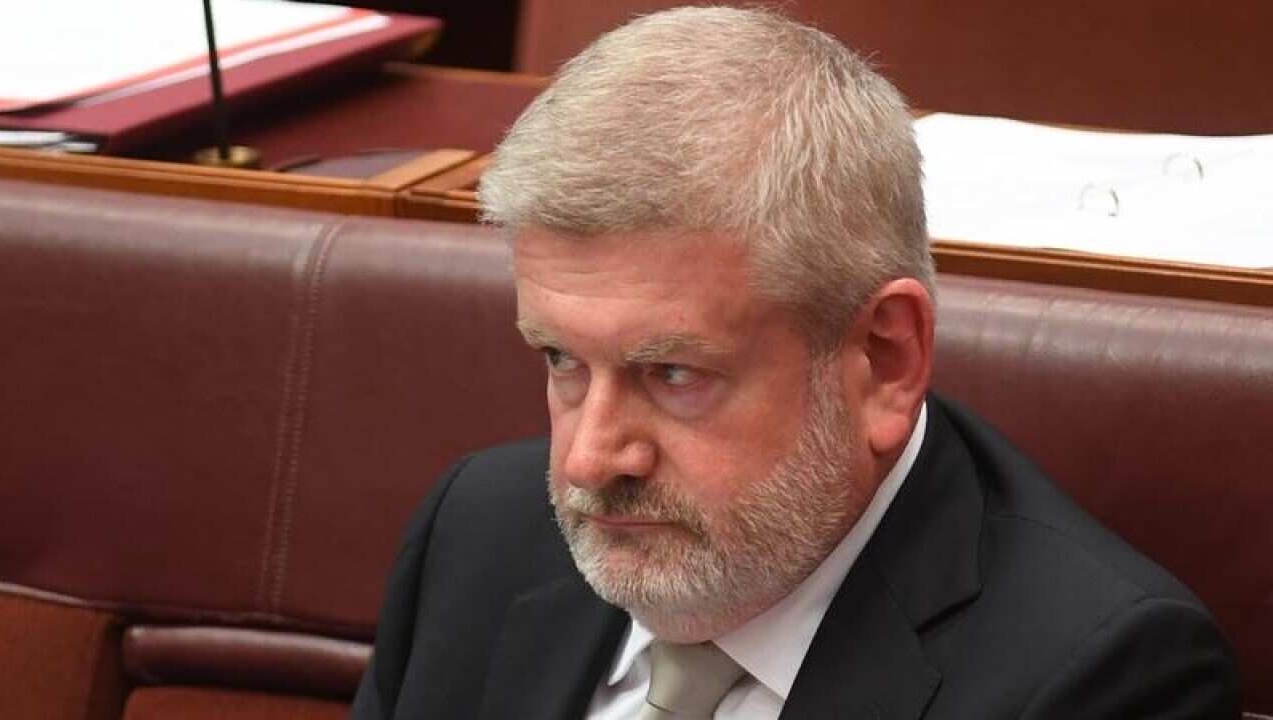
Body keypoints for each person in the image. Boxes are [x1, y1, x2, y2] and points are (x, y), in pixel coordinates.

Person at [351, 7, 1240, 719]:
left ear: (883, 360)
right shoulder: (475, 541)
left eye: (673, 375)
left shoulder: (1099, 679)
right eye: (561, 360)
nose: (589, 460)